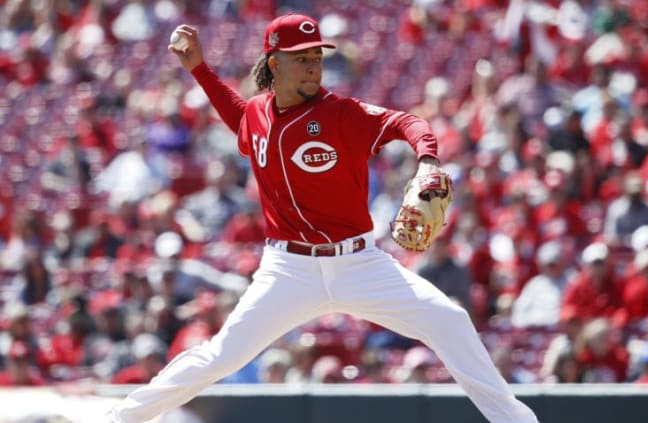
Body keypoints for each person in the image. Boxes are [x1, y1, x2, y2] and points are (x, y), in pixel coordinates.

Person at [106, 13, 539, 423]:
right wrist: (199, 69)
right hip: (288, 271)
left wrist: (426, 160)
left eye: (317, 58)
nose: (314, 67)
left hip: (359, 264)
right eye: (302, 59)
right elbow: (240, 116)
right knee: (221, 356)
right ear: (274, 63)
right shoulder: (257, 112)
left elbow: (406, 121)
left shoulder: (340, 113)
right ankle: (121, 419)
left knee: (450, 321)